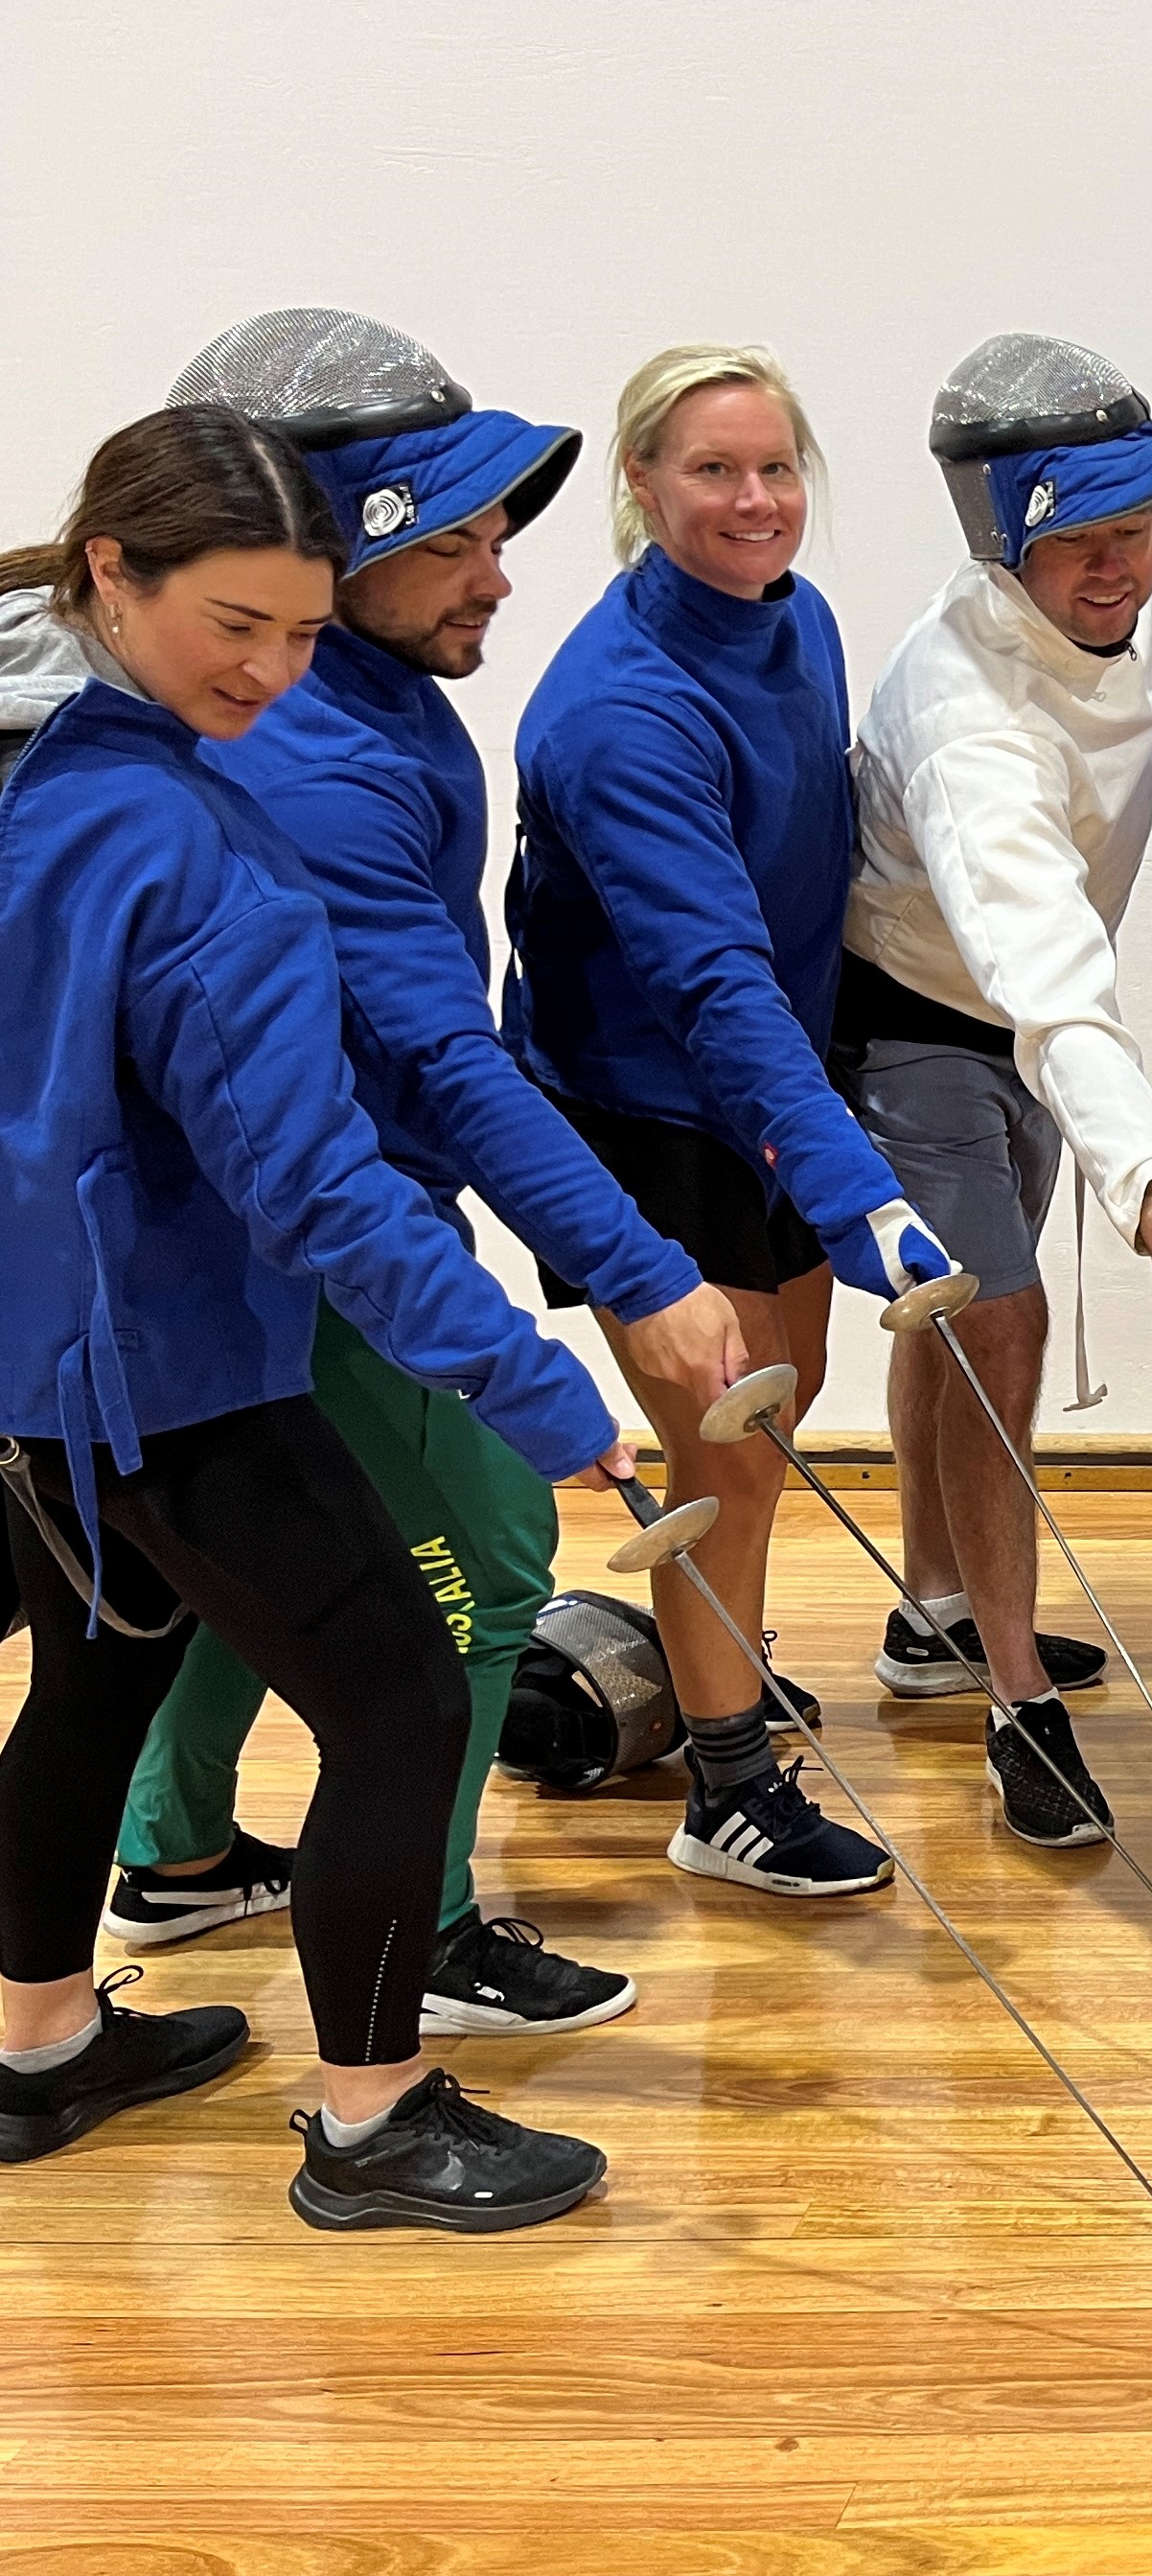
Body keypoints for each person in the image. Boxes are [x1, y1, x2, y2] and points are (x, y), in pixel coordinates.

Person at [27, 311, 742, 2042]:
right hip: (216, 1297)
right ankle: (399, 2003)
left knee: (134, 1642)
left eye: (293, 626)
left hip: (111, 1322)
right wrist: (602, 1309)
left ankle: (139, 1908)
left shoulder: (156, 746)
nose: (495, 573)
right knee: (453, 1609)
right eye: (448, 537)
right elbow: (377, 1111)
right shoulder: (244, 796)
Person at [0, 404, 612, 2229]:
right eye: (234, 626)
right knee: (401, 1704)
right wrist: (534, 1386)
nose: (271, 671)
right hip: (174, 1376)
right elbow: (318, 1186)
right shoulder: (198, 851)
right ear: (112, 572)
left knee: (94, 1680)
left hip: (42, 1371)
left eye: (302, 628)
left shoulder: (37, 771)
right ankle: (374, 2122)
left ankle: (36, 2046)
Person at [508, 345, 951, 1897]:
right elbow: (705, 978)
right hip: (645, 1104)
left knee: (784, 1396)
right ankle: (728, 1789)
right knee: (730, 1448)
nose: (756, 500)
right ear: (641, 483)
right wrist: (844, 1171)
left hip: (772, 1079)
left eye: (775, 468)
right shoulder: (618, 713)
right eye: (713, 471)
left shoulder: (796, 619)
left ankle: (725, 1667)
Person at [846, 332, 1152, 1846]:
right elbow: (1054, 977)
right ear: (1000, 536)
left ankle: (935, 1609)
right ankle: (1015, 1695)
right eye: (1078, 536)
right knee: (997, 1326)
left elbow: (1057, 974)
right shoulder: (969, 718)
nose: (1116, 563)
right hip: (916, 1027)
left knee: (957, 1327)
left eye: (1137, 524)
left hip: (1006, 1025)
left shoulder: (1106, 636)